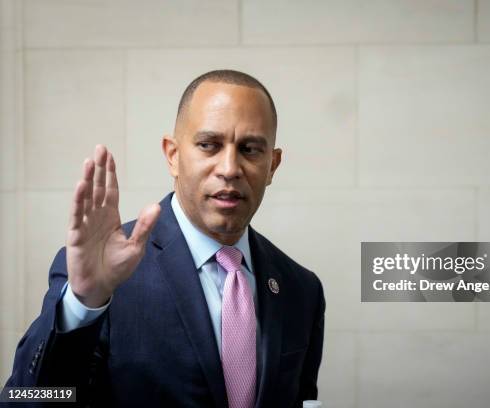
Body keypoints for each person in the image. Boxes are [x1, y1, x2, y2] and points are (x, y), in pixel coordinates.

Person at [4, 70, 325, 407]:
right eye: (208, 145)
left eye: (250, 149)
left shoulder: (302, 290)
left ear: (272, 165)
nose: (230, 168)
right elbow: (23, 401)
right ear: (173, 155)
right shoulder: (103, 273)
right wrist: (84, 304)